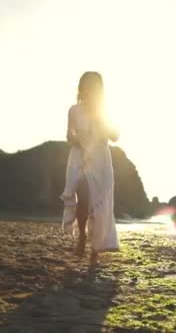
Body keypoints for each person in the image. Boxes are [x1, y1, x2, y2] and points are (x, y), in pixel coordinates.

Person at [60, 71, 119, 263]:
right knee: (84, 198)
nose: (92, 89)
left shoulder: (106, 110)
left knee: (99, 203)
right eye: (88, 85)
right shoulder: (74, 110)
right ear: (82, 88)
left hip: (101, 159)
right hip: (80, 157)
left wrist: (103, 121)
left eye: (95, 86)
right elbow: (69, 134)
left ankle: (95, 247)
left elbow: (116, 136)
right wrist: (74, 139)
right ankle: (83, 236)